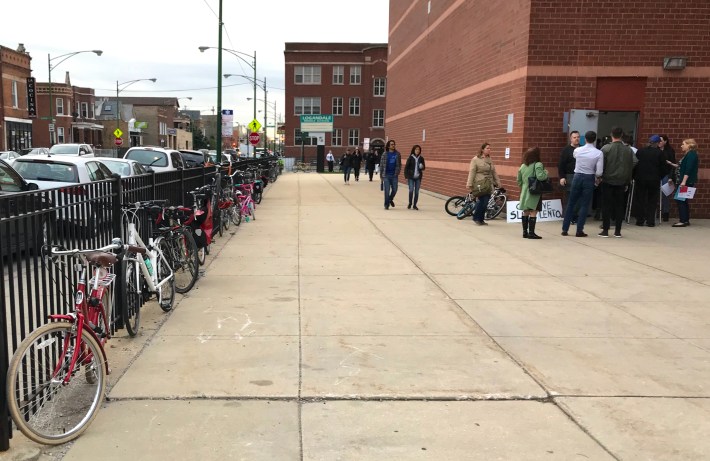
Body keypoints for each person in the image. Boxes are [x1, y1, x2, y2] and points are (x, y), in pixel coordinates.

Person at [561, 131, 603, 237]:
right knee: (584, 204)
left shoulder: (577, 150)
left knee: (571, 202)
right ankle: (579, 230)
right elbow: (599, 172)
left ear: (585, 139)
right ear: (594, 139)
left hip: (577, 176)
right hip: (589, 177)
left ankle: (565, 229)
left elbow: (575, 157)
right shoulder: (598, 153)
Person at [599, 126, 634, 238]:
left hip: (608, 180)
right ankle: (618, 231)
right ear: (622, 135)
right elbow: (632, 164)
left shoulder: (606, 148)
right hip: (621, 181)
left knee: (606, 206)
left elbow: (601, 164)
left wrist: (599, 176)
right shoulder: (628, 150)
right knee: (620, 206)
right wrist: (628, 180)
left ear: (611, 135)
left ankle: (605, 230)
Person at [632, 135, 665, 227]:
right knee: (652, 200)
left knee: (640, 199)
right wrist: (660, 176)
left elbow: (635, 164)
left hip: (641, 178)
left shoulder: (641, 151)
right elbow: (664, 167)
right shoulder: (660, 153)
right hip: (654, 179)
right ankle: (650, 221)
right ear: (658, 143)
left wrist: (634, 176)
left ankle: (640, 220)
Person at [517, 147, 548, 239]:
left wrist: (523, 187)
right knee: (533, 211)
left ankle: (524, 232)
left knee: (525, 211)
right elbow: (540, 177)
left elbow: (518, 180)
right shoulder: (538, 164)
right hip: (534, 192)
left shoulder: (522, 166)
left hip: (524, 191)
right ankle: (531, 233)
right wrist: (546, 173)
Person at [466, 143, 500, 226]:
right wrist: (469, 184)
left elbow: (493, 172)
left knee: (485, 202)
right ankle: (476, 218)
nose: (489, 150)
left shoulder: (490, 159)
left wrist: (498, 182)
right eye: (487, 148)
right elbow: (472, 172)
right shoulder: (475, 159)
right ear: (482, 149)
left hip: (488, 184)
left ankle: (481, 219)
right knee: (482, 201)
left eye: (490, 148)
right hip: (480, 184)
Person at [668, 138, 699, 227]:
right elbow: (681, 166)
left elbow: (688, 169)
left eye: (683, 144)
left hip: (685, 181)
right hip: (683, 181)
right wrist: (671, 164)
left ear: (689, 145)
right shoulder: (688, 154)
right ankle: (685, 219)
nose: (681, 146)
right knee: (683, 200)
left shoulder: (691, 155)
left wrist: (684, 181)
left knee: (680, 200)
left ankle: (683, 220)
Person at [558, 130, 580, 222]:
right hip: (569, 176)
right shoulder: (566, 150)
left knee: (578, 198)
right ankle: (568, 217)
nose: (577, 139)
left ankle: (576, 216)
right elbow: (561, 164)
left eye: (578, 137)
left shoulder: (582, 149)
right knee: (570, 197)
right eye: (574, 137)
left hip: (580, 175)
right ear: (571, 139)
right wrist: (562, 177)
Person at [658, 135, 676, 221]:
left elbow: (673, 164)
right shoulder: (656, 150)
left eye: (661, 141)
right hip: (657, 174)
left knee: (665, 194)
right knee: (655, 194)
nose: (659, 142)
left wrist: (671, 177)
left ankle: (665, 213)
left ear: (665, 141)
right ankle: (657, 212)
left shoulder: (669, 151)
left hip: (666, 174)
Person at [380, 140, 401, 209]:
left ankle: (390, 199)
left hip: (394, 175)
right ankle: (386, 205)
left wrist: (397, 172)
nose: (393, 145)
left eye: (394, 144)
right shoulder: (384, 154)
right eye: (392, 144)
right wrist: (381, 176)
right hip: (386, 175)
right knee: (387, 190)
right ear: (388, 146)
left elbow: (399, 165)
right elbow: (382, 165)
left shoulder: (397, 154)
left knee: (395, 189)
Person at [403, 144, 426, 210]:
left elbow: (424, 168)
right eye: (416, 149)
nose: (417, 150)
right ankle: (410, 203)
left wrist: (422, 167)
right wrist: (406, 176)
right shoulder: (410, 157)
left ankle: (415, 205)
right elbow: (406, 168)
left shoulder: (421, 158)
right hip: (411, 177)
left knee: (416, 192)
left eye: (418, 149)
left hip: (418, 177)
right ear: (413, 150)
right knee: (411, 190)